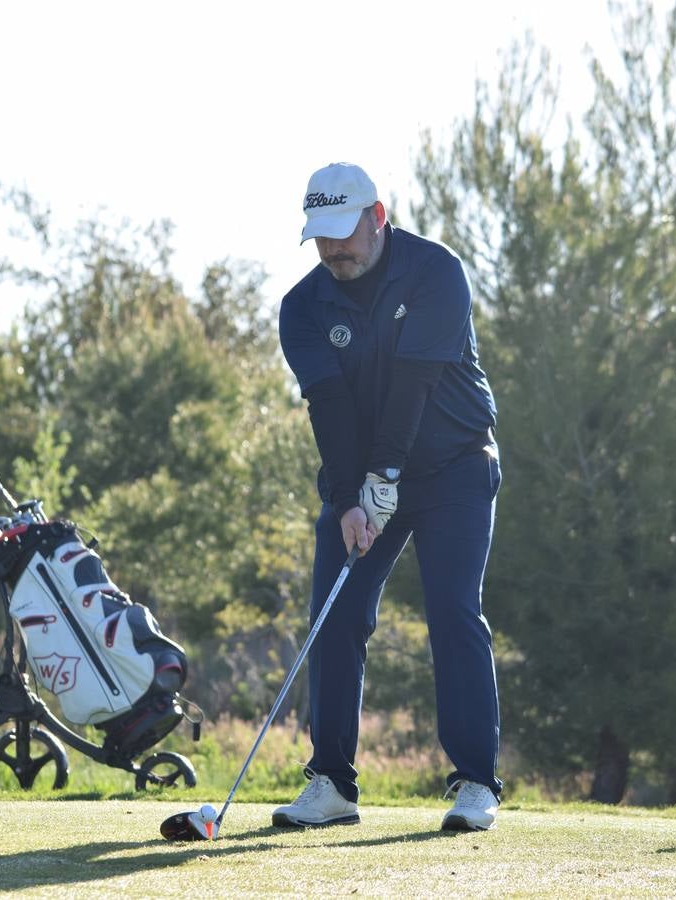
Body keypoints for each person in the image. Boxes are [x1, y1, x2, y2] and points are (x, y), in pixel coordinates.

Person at [273, 162, 503, 832]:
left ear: (377, 217)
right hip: (367, 478)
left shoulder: (435, 273)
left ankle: (475, 783)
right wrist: (350, 499)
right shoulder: (303, 306)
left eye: (344, 233)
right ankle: (332, 783)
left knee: (452, 612)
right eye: (321, 237)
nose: (334, 249)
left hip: (456, 466)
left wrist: (384, 480)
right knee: (336, 614)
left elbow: (413, 387)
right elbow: (331, 408)